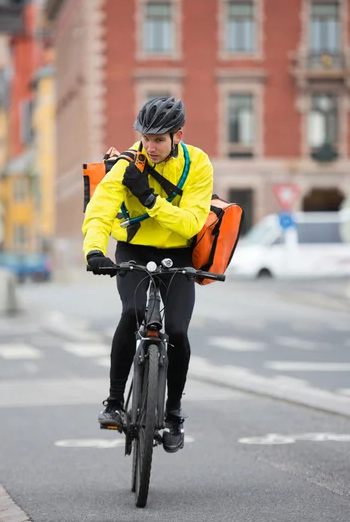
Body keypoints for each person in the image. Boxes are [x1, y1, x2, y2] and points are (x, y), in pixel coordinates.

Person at [82, 96, 213, 453]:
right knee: (132, 313)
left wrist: (151, 200)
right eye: (145, 137)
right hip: (134, 250)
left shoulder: (198, 164)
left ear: (177, 136)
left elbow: (190, 222)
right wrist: (94, 250)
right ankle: (113, 401)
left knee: (179, 332)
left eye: (159, 139)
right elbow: (101, 209)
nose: (150, 146)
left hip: (178, 252)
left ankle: (173, 413)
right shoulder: (127, 162)